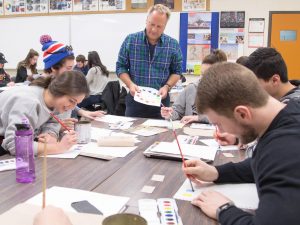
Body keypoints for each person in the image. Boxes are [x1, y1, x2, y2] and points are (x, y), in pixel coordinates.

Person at [183, 62, 300, 225]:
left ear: (242, 113)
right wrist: (216, 172)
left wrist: (224, 209)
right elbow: (260, 163)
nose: (220, 130)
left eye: (219, 123)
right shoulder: (290, 111)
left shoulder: (282, 150)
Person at [216, 47, 300, 146]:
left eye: (255, 84)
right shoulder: (281, 101)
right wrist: (237, 139)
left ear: (275, 80)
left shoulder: (291, 110)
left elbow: (267, 148)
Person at [116, 4, 183, 118]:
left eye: (159, 26)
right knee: (132, 133)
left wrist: (167, 86)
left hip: (160, 104)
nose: (154, 29)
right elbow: (120, 67)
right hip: (135, 102)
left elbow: (177, 71)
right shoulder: (131, 40)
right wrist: (130, 84)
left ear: (165, 26)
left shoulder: (172, 45)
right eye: (151, 24)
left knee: (161, 134)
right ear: (146, 20)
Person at [0, 71, 89, 156]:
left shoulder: (53, 101)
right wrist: (59, 147)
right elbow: (16, 145)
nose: (73, 107)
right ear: (59, 91)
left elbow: (52, 123)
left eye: (76, 103)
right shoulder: (30, 102)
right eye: (71, 101)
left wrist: (50, 136)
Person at [40, 34, 105, 122]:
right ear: (54, 67)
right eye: (68, 68)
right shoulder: (38, 92)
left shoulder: (57, 83)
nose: (71, 72)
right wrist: (58, 127)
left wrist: (82, 112)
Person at [161, 49, 227, 124]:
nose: (203, 78)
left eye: (209, 74)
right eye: (202, 74)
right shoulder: (191, 88)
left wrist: (199, 118)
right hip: (189, 133)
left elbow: (227, 118)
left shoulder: (227, 92)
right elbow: (177, 112)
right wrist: (169, 114)